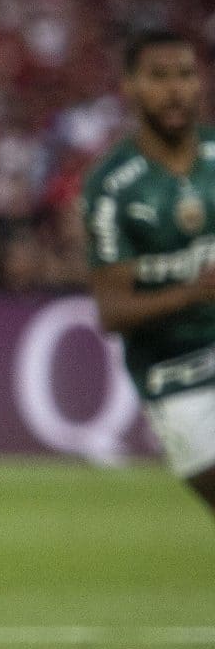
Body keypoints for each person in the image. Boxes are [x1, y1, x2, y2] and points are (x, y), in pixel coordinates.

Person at [81, 29, 215, 516]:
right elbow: (112, 311)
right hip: (175, 378)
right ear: (130, 87)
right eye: (158, 77)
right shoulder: (113, 186)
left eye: (185, 74)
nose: (175, 89)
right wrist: (195, 292)